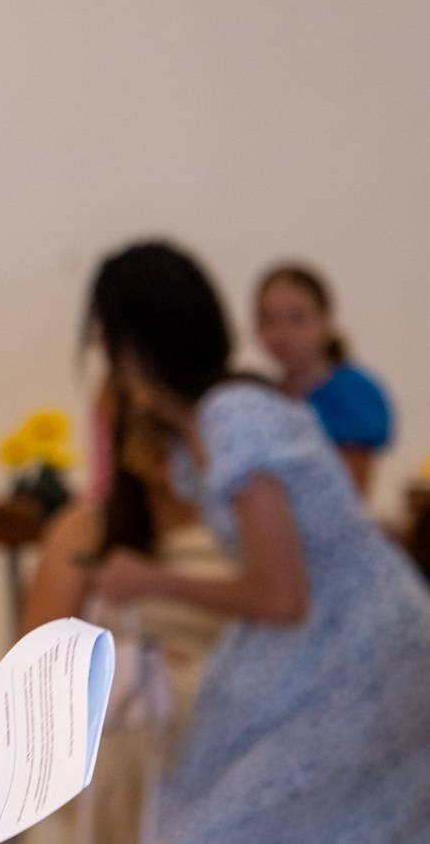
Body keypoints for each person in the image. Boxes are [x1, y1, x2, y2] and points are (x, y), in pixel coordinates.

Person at [84, 240, 430, 844]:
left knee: (227, 825)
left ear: (132, 347)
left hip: (361, 645)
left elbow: (281, 596)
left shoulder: (236, 417)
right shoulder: (199, 431)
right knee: (195, 802)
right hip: (317, 638)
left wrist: (153, 582)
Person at [22, 381, 234, 844]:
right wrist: (132, 663)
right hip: (127, 707)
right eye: (142, 431)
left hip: (227, 698)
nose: (162, 450)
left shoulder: (244, 525)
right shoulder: (85, 530)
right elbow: (36, 672)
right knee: (137, 702)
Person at [255, 263, 393, 494]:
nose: (281, 333)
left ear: (325, 321)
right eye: (269, 319)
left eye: (297, 318)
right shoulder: (260, 397)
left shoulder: (354, 394)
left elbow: (349, 497)